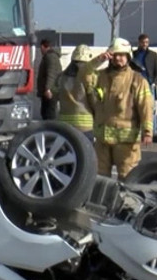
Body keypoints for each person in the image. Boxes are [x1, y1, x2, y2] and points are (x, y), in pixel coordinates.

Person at [88, 38, 153, 179]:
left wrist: (147, 131)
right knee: (99, 180)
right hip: (102, 141)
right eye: (115, 54)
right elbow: (83, 76)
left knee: (127, 179)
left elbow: (145, 106)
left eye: (122, 55)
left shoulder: (137, 80)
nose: (118, 58)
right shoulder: (100, 77)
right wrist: (98, 60)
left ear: (128, 56)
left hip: (126, 143)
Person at [56, 44, 96, 140]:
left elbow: (55, 94)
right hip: (85, 127)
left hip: (65, 125)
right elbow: (94, 100)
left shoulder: (62, 77)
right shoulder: (90, 76)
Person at [37, 38, 62, 120]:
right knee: (46, 112)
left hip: (51, 92)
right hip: (51, 90)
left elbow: (51, 73)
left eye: (41, 48)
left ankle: (50, 131)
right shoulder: (51, 57)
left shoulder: (50, 57)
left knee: (49, 114)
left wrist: (48, 89)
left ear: (43, 46)